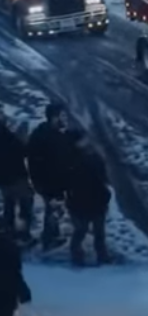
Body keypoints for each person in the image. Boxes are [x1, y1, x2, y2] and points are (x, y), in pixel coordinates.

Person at [26, 102, 75, 248]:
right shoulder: (46, 136)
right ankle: (49, 239)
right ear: (54, 117)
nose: (65, 119)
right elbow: (41, 162)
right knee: (53, 209)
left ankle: (51, 235)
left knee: (53, 210)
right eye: (62, 115)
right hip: (50, 183)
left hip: (52, 182)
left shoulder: (49, 134)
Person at [65, 129, 111, 266]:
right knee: (96, 232)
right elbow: (103, 179)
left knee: (82, 231)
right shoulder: (91, 158)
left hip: (81, 202)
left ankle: (78, 257)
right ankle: (102, 258)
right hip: (93, 201)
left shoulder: (68, 160)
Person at [0, 115, 33, 239]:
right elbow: (23, 151)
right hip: (18, 178)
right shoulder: (9, 136)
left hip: (3, 181)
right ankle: (24, 235)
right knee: (25, 207)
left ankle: (8, 234)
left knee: (9, 208)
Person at [0, 228, 32, 316]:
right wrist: (23, 291)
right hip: (8, 294)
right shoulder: (11, 247)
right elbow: (16, 273)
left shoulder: (9, 247)